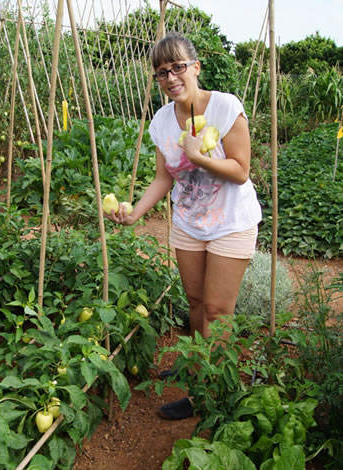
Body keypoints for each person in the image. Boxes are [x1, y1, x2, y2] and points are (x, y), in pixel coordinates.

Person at [104, 32, 262, 420]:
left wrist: (199, 155)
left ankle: (210, 393)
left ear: (195, 67)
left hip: (231, 222)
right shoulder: (162, 121)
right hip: (189, 223)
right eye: (161, 72)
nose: (171, 77)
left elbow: (241, 172)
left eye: (177, 67)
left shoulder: (225, 108)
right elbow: (163, 178)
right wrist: (135, 211)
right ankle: (196, 367)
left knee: (217, 310)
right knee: (194, 304)